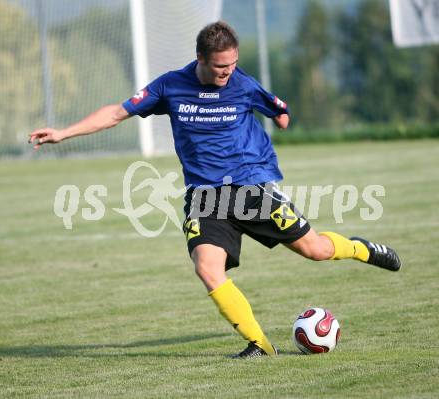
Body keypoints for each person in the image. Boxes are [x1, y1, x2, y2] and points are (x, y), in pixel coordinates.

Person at [29, 21, 401, 358]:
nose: (228, 72)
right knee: (207, 268)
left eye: (233, 64)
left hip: (250, 190)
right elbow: (116, 113)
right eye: (221, 66)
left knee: (316, 250)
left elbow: (279, 109)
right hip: (204, 198)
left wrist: (282, 117)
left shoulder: (243, 84)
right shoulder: (170, 85)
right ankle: (260, 345)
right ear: (200, 59)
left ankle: (362, 249)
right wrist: (63, 133)